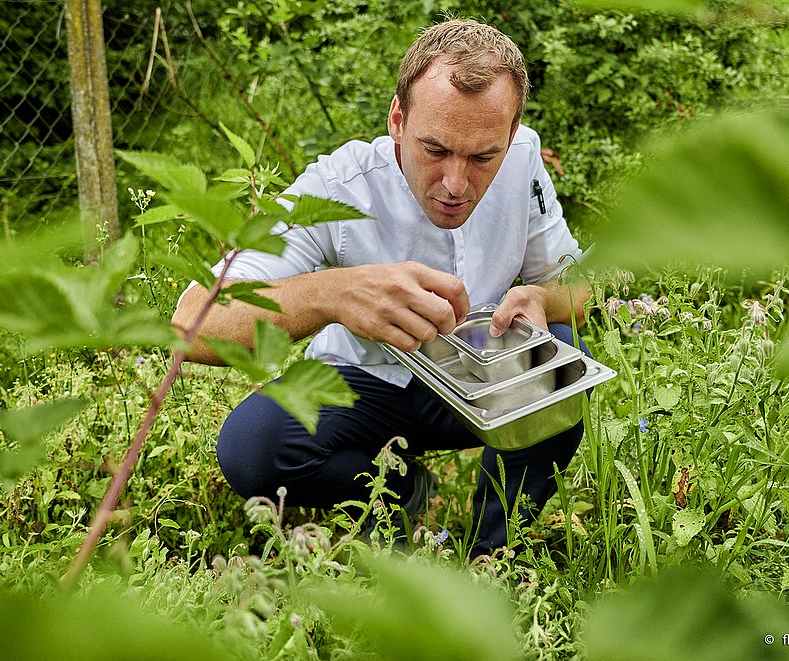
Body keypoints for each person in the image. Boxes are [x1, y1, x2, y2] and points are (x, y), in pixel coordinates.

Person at [172, 18, 590, 556]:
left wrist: (541, 297)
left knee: (562, 368)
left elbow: (579, 287)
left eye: (483, 156)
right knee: (253, 448)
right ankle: (398, 493)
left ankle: (493, 553)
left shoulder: (524, 158)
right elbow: (193, 322)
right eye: (434, 149)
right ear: (397, 119)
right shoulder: (339, 186)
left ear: (510, 137)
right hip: (361, 381)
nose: (456, 184)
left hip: (476, 379)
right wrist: (331, 294)